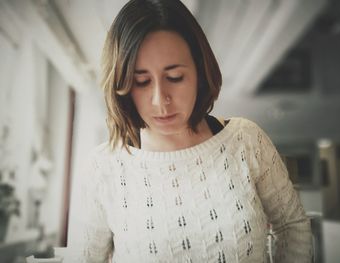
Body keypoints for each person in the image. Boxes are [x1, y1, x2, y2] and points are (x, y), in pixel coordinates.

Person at [69, 0, 313, 262]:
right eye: (141, 82)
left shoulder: (246, 141)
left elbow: (291, 225)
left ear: (200, 70)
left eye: (174, 77)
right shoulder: (103, 168)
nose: (160, 100)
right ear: (123, 85)